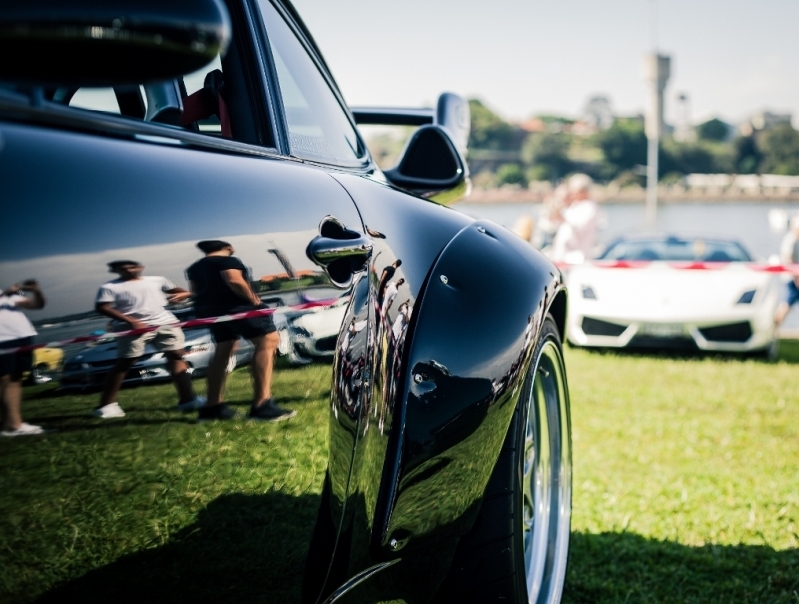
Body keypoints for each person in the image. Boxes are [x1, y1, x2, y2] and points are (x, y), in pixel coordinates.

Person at [186, 240, 295, 422]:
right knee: (268, 341)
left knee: (223, 349)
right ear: (228, 247)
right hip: (237, 308)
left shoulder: (195, 267)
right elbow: (234, 280)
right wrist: (255, 301)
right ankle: (262, 405)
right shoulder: (228, 261)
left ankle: (212, 407)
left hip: (209, 311)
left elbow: (195, 291)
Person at [93, 261, 204, 418]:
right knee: (126, 362)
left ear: (140, 267)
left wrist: (183, 295)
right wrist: (130, 321)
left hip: (166, 323)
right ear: (114, 271)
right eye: (123, 268)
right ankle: (106, 406)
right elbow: (102, 307)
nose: (129, 270)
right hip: (131, 328)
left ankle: (188, 400)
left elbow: (184, 292)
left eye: (132, 266)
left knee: (177, 356)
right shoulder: (109, 287)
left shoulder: (158, 280)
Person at [0, 280, 46, 436]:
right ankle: (12, 426)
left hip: (22, 336)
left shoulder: (9, 295)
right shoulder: (6, 293)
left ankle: (12, 423)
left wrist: (36, 291)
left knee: (16, 378)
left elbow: (37, 305)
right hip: (2, 340)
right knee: (4, 379)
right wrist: (7, 292)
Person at [549, 173, 599, 263]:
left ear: (584, 191)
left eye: (575, 191)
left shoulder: (589, 207)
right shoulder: (574, 205)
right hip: (563, 256)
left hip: (576, 257)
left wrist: (562, 217)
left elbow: (580, 227)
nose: (572, 194)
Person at [775, 215, 799, 327]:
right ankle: (774, 327)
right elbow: (789, 259)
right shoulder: (791, 239)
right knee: (786, 305)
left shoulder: (794, 239)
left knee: (787, 305)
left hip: (794, 277)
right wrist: (796, 277)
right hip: (792, 278)